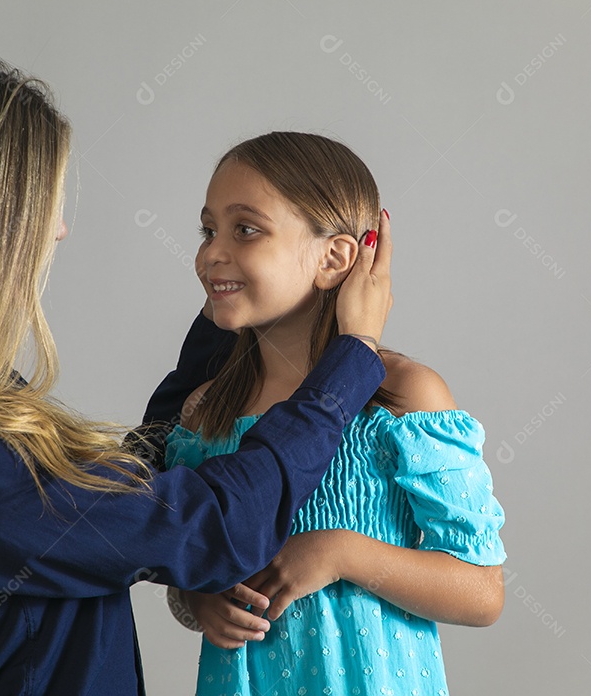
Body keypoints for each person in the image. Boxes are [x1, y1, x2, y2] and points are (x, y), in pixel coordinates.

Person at [0, 49, 392, 695]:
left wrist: (227, 308)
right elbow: (215, 530)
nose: (58, 230)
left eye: (245, 229)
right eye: (42, 206)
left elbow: (112, 503)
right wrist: (353, 355)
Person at [163, 132, 506, 696]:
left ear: (335, 257)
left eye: (245, 229)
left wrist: (340, 551)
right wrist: (199, 598)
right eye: (208, 230)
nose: (211, 253)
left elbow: (482, 593)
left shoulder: (404, 398)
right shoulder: (206, 411)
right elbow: (183, 553)